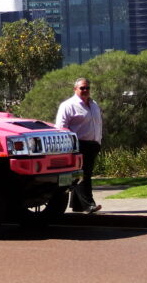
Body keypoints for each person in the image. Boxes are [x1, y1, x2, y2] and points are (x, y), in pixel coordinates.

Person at [56, 77, 103, 214]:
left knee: (83, 174)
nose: (85, 90)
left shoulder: (93, 104)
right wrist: (70, 146)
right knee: (83, 175)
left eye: (87, 88)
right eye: (82, 88)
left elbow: (97, 124)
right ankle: (89, 205)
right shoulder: (68, 105)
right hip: (78, 145)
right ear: (75, 89)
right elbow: (61, 127)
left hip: (93, 145)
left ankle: (77, 205)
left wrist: (98, 142)